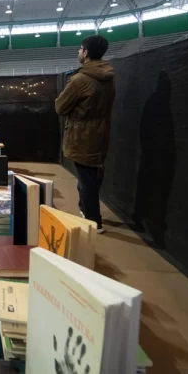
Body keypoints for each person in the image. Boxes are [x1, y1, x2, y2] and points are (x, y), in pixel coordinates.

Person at [55, 35, 115, 233]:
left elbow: (60, 107)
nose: (78, 52)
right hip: (100, 134)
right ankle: (86, 211)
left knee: (87, 180)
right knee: (91, 177)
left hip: (82, 136)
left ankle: (92, 221)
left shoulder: (80, 79)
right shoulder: (108, 76)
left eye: (80, 49)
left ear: (86, 53)